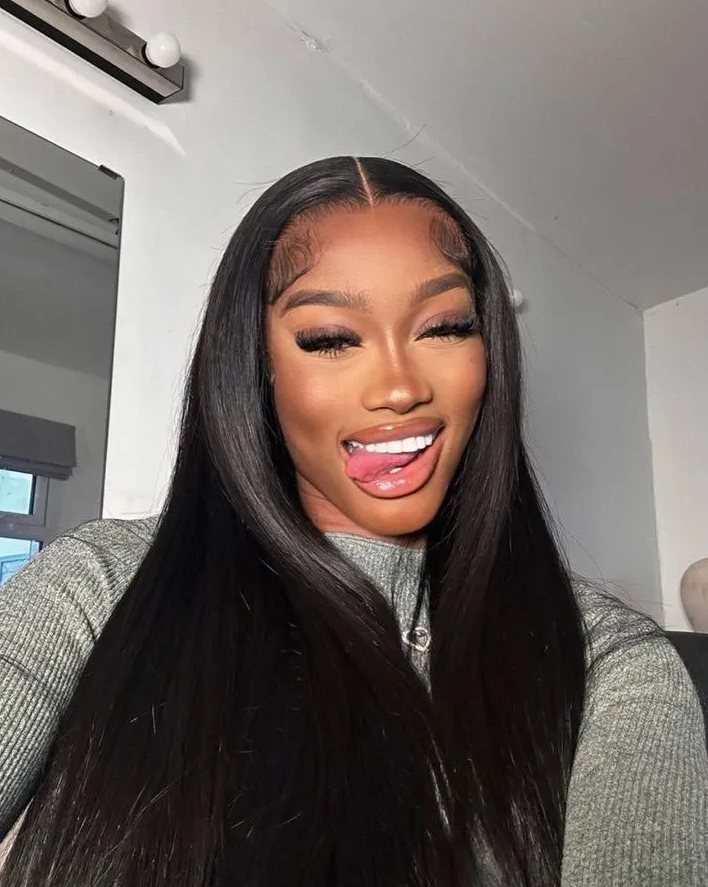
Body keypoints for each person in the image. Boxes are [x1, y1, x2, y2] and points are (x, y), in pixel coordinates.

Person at [0, 156, 706, 887]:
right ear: (255, 365)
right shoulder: (102, 581)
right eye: (332, 338)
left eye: (445, 327)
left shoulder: (607, 661)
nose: (400, 387)